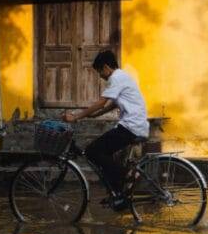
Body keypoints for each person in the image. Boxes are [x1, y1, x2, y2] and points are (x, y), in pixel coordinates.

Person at [63, 50, 149, 211]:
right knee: (104, 153)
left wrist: (77, 117)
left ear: (106, 67)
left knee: (92, 151)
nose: (101, 76)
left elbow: (101, 102)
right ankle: (117, 194)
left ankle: (126, 175)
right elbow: (113, 104)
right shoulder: (123, 76)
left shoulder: (116, 78)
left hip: (131, 127)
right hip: (134, 125)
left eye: (100, 72)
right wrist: (96, 115)